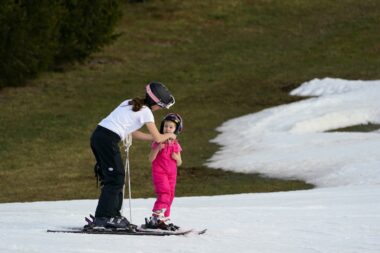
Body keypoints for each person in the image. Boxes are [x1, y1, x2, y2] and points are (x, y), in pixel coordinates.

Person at [90, 82, 177, 230]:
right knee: (115, 178)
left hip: (100, 136)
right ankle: (103, 217)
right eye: (161, 106)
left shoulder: (130, 103)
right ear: (156, 103)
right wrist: (170, 135)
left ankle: (114, 215)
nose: (160, 109)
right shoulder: (146, 112)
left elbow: (131, 131)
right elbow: (158, 138)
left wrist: (154, 137)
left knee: (116, 177)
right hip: (107, 139)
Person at [145, 113, 183, 231]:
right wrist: (157, 148)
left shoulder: (176, 145)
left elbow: (179, 162)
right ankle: (156, 218)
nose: (167, 129)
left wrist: (177, 158)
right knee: (164, 193)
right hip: (160, 172)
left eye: (171, 127)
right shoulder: (158, 142)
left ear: (176, 130)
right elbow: (150, 158)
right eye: (166, 126)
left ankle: (164, 219)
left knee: (170, 195)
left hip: (172, 174)